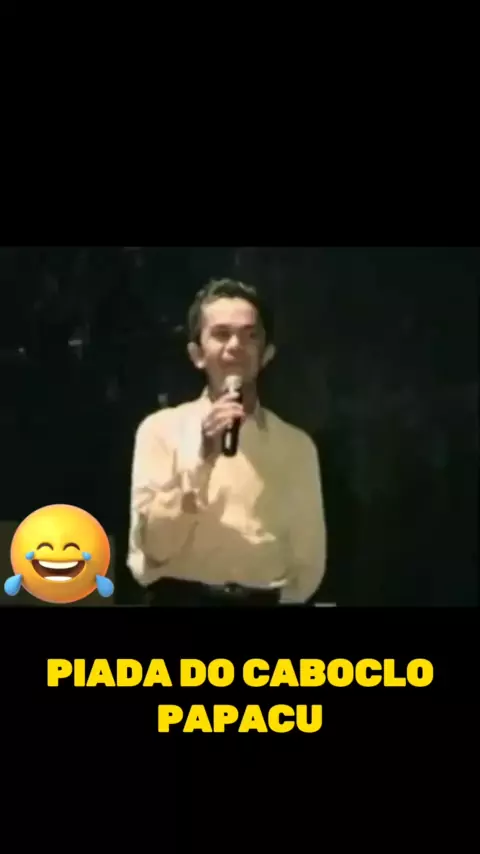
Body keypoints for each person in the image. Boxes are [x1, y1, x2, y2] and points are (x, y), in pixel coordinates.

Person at [127, 278, 327, 606]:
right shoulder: (161, 431)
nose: (235, 346)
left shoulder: (296, 446)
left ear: (266, 354)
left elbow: (309, 562)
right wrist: (203, 460)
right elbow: (154, 547)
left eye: (250, 336)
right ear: (197, 354)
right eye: (221, 334)